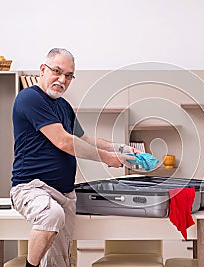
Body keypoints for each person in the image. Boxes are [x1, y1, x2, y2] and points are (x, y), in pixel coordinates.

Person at [10, 48, 139, 267]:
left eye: (69, 75)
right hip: (32, 187)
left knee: (59, 262)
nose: (62, 79)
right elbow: (64, 141)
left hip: (65, 193)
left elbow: (84, 138)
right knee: (50, 216)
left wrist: (121, 148)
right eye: (57, 71)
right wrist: (108, 158)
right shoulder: (30, 98)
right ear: (43, 69)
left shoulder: (63, 106)